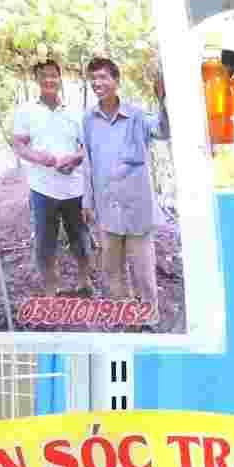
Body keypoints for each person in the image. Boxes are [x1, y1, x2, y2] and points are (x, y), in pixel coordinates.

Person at [80, 56, 167, 320]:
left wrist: (164, 101)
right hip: (107, 209)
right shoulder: (88, 120)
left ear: (116, 81)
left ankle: (149, 316)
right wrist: (87, 202)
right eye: (93, 78)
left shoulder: (137, 116)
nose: (98, 83)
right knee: (112, 270)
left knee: (143, 270)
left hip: (137, 207)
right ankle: (126, 314)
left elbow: (163, 131)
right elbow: (88, 163)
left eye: (103, 77)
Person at [9, 58, 93, 294]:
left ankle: (84, 281)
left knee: (81, 238)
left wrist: (75, 158)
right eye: (43, 75)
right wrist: (39, 157)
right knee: (45, 243)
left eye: (53, 74)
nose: (49, 79)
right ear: (36, 79)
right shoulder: (25, 111)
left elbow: (88, 146)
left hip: (75, 188)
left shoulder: (76, 112)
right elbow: (19, 145)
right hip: (42, 189)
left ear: (60, 77)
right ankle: (51, 288)